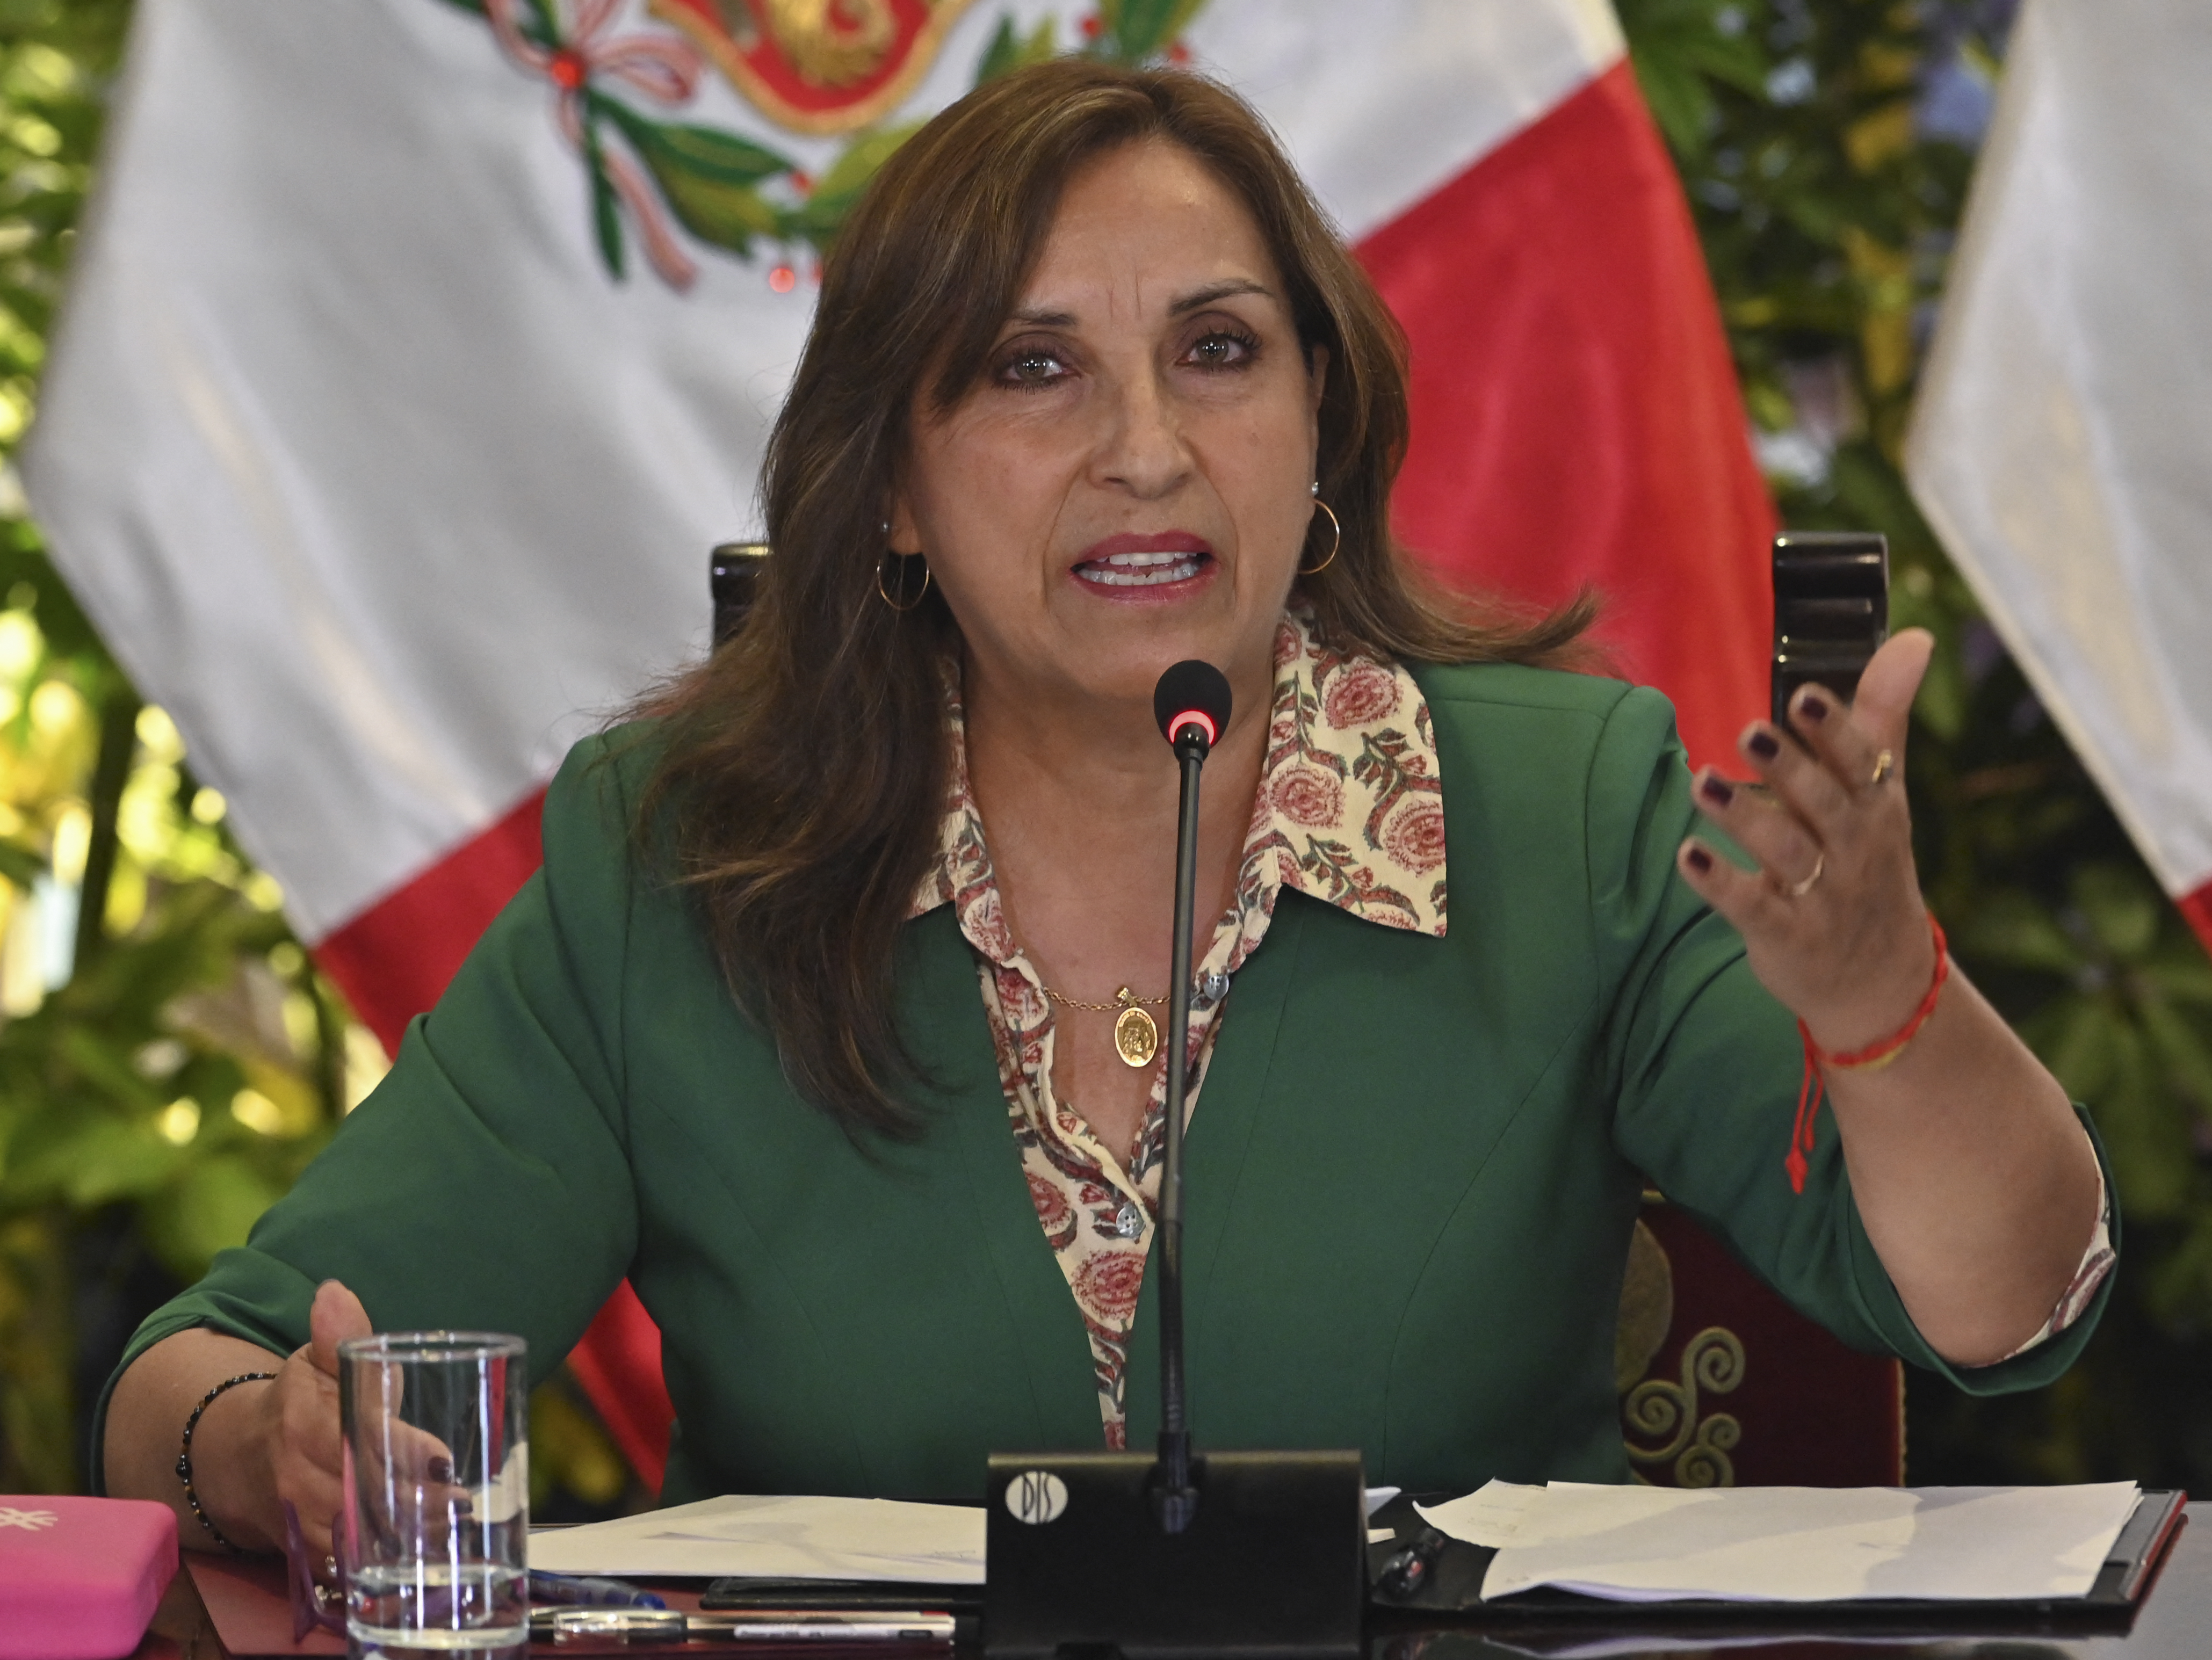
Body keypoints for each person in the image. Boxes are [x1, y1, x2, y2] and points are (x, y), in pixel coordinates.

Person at [99, 60, 2110, 1566]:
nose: (1147, 450)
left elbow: (2003, 1300)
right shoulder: (680, 858)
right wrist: (268, 1447)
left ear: (1320, 426)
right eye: (1033, 368)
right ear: (887, 489)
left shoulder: (1568, 805)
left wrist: (1881, 998)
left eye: (1219, 353)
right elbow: (194, 1376)